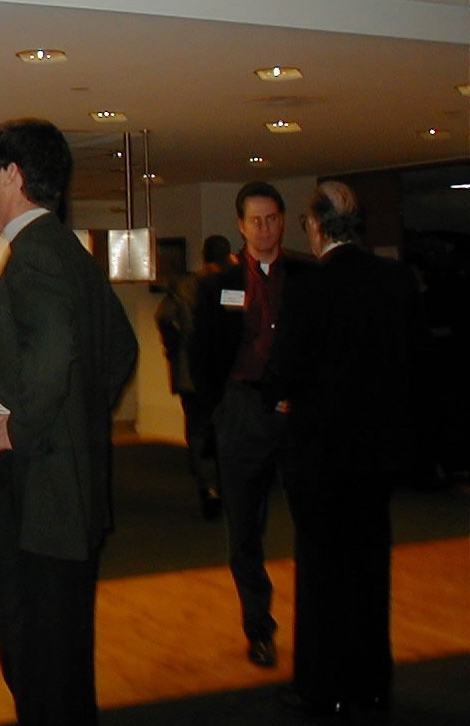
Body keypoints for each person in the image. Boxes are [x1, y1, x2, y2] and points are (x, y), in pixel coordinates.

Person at [0, 119, 137, 726]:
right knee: (59, 652)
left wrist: (24, 429)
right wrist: (77, 419)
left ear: (12, 175)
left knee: (38, 654)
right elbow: (121, 348)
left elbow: (56, 352)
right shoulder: (65, 250)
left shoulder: (37, 255)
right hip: (60, 484)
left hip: (38, 488)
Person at [270, 182, 424, 717]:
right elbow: (414, 361)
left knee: (321, 571)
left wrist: (278, 397)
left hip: (320, 453)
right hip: (377, 452)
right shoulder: (395, 279)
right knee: (369, 567)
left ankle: (321, 685)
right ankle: (371, 683)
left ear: (316, 227)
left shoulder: (310, 287)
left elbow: (284, 369)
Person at [190, 180, 315, 669]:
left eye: (272, 219)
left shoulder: (308, 276)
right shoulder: (216, 284)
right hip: (240, 411)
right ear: (241, 226)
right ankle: (259, 628)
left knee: (314, 521)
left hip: (297, 412)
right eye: (255, 221)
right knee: (244, 527)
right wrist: (219, 409)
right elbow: (201, 355)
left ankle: (319, 629)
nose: (265, 229)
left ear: (283, 222)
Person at [155, 234, 232, 519]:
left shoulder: (184, 285)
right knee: (224, 430)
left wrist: (174, 349)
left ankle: (208, 488)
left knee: (198, 430)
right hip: (224, 374)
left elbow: (164, 317)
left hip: (191, 372)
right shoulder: (232, 286)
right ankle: (225, 486)